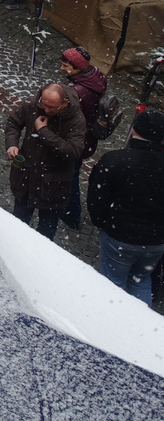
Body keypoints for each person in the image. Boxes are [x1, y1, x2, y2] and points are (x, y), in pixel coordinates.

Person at [86, 109, 164, 303]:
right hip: (155, 241)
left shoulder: (114, 160)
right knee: (141, 281)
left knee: (114, 283)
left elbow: (96, 200)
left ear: (135, 130)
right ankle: (141, 323)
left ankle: (113, 324)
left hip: (119, 236)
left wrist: (103, 223)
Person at [4, 83, 87, 241]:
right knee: (16, 226)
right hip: (25, 179)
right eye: (44, 104)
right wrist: (12, 144)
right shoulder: (32, 104)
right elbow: (13, 123)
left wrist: (43, 131)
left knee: (45, 235)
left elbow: (73, 152)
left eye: (52, 108)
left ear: (65, 103)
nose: (46, 110)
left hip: (53, 186)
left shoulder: (76, 120)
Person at [60, 46, 108, 230]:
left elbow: (69, 118)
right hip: (86, 140)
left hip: (77, 140)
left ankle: (71, 213)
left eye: (65, 65)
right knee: (72, 173)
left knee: (70, 176)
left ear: (78, 67)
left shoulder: (78, 92)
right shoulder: (95, 76)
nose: (62, 69)